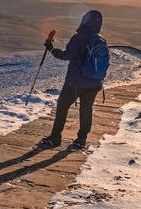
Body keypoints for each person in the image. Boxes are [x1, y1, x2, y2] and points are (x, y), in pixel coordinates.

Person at [41, 10, 106, 149]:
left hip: (75, 83)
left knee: (62, 107)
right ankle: (81, 140)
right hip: (94, 83)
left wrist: (51, 49)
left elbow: (66, 55)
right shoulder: (100, 40)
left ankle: (55, 138)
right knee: (86, 110)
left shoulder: (78, 38)